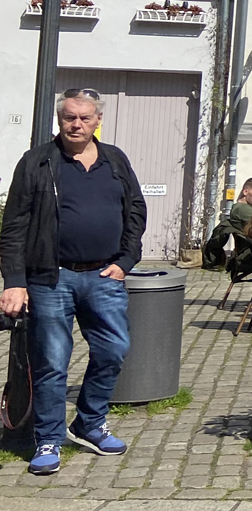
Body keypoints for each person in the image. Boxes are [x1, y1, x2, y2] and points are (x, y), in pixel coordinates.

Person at [1, 88, 146, 477]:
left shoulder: (115, 159)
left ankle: (89, 422)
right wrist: (14, 281)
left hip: (104, 276)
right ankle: (48, 438)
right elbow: (13, 226)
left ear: (98, 120)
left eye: (84, 117)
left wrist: (126, 260)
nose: (76, 124)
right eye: (69, 117)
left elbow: (135, 210)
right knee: (51, 362)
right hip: (51, 278)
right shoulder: (37, 162)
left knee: (115, 349)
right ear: (59, 120)